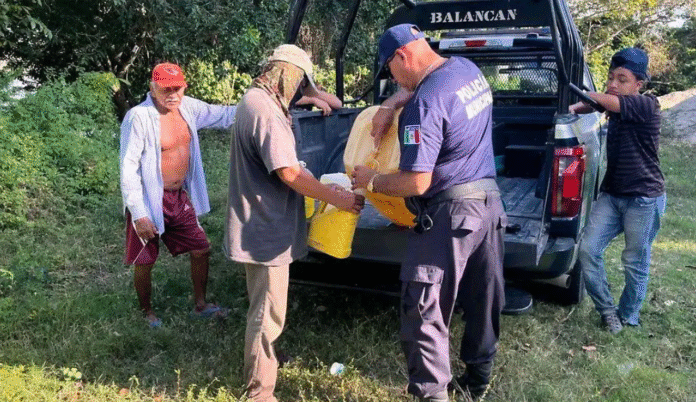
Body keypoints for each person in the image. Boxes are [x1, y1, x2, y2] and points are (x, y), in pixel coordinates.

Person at [352, 24, 506, 402]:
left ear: (402, 55)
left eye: (389, 69)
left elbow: (417, 182)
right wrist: (388, 105)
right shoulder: (465, 70)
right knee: (484, 296)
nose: (392, 78)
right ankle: (477, 381)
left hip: (451, 214)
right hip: (489, 206)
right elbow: (421, 87)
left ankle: (433, 395)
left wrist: (373, 180)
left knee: (423, 308)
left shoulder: (424, 104)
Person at [223, 44, 364, 402]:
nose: (300, 90)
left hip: (259, 223)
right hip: (265, 229)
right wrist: (338, 198)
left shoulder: (255, 100)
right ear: (286, 75)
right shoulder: (266, 111)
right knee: (267, 314)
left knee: (265, 304)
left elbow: (289, 164)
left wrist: (324, 188)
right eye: (300, 82)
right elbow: (288, 173)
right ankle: (260, 392)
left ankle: (266, 360)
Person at [120, 62, 236, 328]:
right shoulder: (139, 117)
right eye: (165, 89)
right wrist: (138, 214)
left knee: (201, 248)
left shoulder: (188, 107)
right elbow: (128, 167)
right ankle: (146, 312)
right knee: (145, 259)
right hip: (148, 198)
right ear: (153, 88)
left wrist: (263, 106)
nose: (172, 94)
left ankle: (201, 305)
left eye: (177, 88)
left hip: (178, 197)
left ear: (184, 87)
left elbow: (225, 115)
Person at [571, 47, 666, 334]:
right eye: (611, 77)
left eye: (622, 79)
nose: (613, 83)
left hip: (644, 198)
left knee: (635, 262)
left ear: (639, 84)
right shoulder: (615, 104)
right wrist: (571, 108)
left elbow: (603, 101)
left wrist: (583, 96)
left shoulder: (647, 105)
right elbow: (594, 105)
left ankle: (628, 315)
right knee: (587, 250)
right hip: (612, 195)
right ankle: (607, 311)